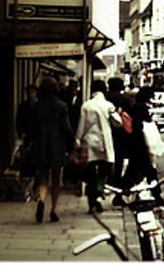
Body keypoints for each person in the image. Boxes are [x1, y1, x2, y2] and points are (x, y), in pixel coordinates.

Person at [28, 77, 75, 223]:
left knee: (43, 178)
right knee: (56, 179)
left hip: (40, 145)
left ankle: (41, 200)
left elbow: (32, 128)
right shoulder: (61, 106)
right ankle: (53, 210)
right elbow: (66, 128)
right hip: (56, 145)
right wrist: (73, 141)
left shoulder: (36, 106)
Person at [121, 86, 164, 207]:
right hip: (141, 145)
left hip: (137, 145)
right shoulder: (141, 108)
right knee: (148, 172)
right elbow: (141, 128)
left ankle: (122, 195)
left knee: (136, 172)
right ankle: (157, 197)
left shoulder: (136, 107)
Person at [75, 79, 115, 213]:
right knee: (105, 170)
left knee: (90, 173)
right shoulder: (108, 105)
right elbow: (119, 123)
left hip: (89, 142)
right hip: (104, 142)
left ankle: (92, 201)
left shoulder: (86, 106)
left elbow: (82, 124)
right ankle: (99, 190)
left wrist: (78, 139)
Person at [105, 77, 132, 207]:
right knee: (119, 163)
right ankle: (118, 194)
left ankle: (104, 187)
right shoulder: (124, 100)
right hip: (120, 136)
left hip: (105, 135)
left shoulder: (104, 98)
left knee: (105, 163)